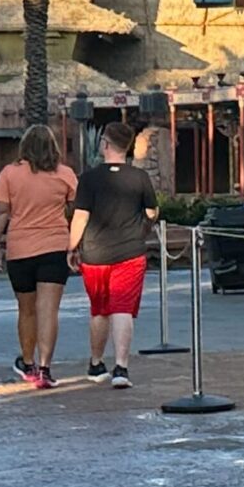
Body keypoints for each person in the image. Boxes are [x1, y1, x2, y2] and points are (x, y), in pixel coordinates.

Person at [71, 119, 159, 388]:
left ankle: (97, 362)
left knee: (99, 310)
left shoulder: (88, 179)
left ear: (106, 144)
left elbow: (80, 217)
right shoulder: (139, 178)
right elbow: (152, 212)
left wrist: (72, 246)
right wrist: (143, 228)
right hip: (130, 251)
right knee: (122, 309)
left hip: (95, 254)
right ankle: (121, 367)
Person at [0, 124, 76, 387]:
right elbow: (76, 209)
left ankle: (28, 363)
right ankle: (45, 368)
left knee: (26, 309)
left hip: (20, 249)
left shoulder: (10, 174)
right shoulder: (65, 174)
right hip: (55, 246)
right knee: (48, 310)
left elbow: (1, 212)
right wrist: (76, 243)